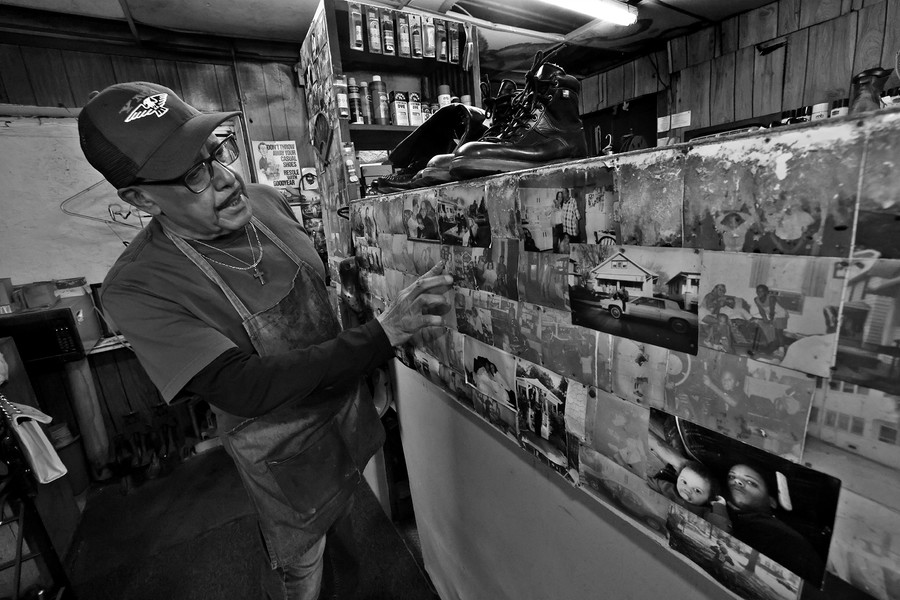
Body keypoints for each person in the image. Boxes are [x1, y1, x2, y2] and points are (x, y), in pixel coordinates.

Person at [78, 82, 452, 600]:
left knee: (353, 525)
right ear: (140, 198)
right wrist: (381, 335)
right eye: (193, 174)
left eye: (218, 150)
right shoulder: (138, 285)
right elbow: (242, 387)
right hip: (283, 450)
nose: (226, 179)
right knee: (300, 566)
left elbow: (319, 294)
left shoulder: (267, 201)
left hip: (344, 413)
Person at [725, 463, 824, 582]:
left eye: (751, 483)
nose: (737, 482)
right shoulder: (734, 514)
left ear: (771, 501)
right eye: (731, 477)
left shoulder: (773, 531)